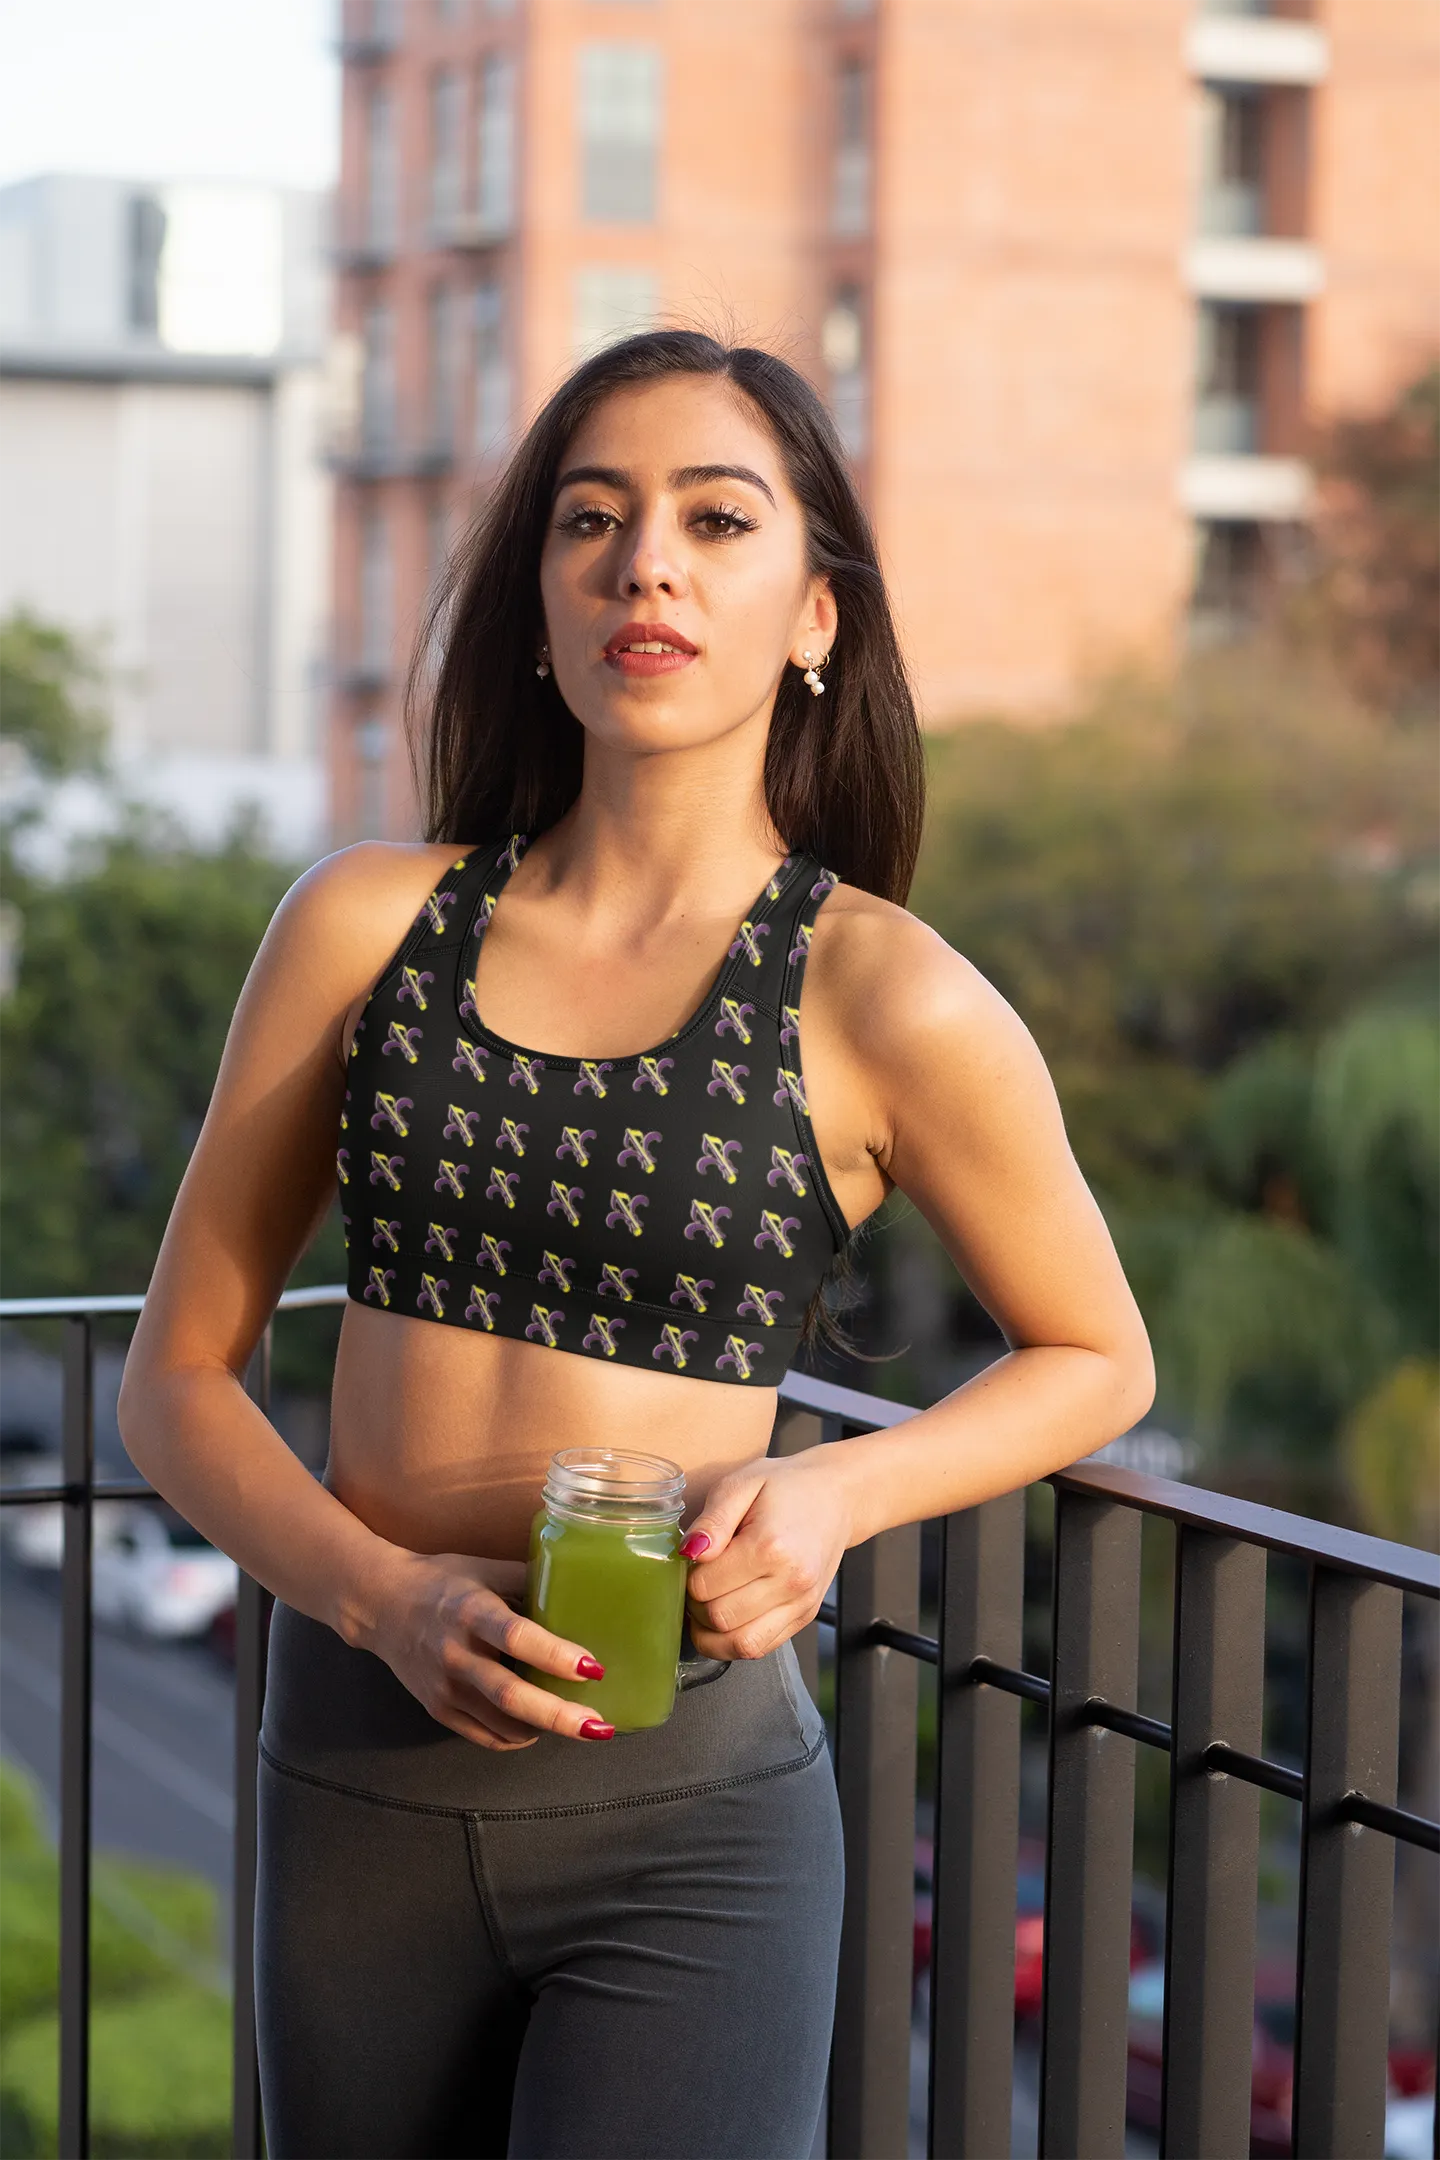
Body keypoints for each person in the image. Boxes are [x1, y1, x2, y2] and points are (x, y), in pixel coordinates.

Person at [118, 329, 1154, 2160]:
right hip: (354, 1771)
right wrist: (381, 1597)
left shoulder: (882, 990)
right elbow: (176, 1381)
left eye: (715, 519)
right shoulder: (365, 925)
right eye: (592, 521)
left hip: (689, 1821)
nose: (644, 563)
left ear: (816, 614)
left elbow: (1099, 1355)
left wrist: (837, 1499)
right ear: (541, 604)